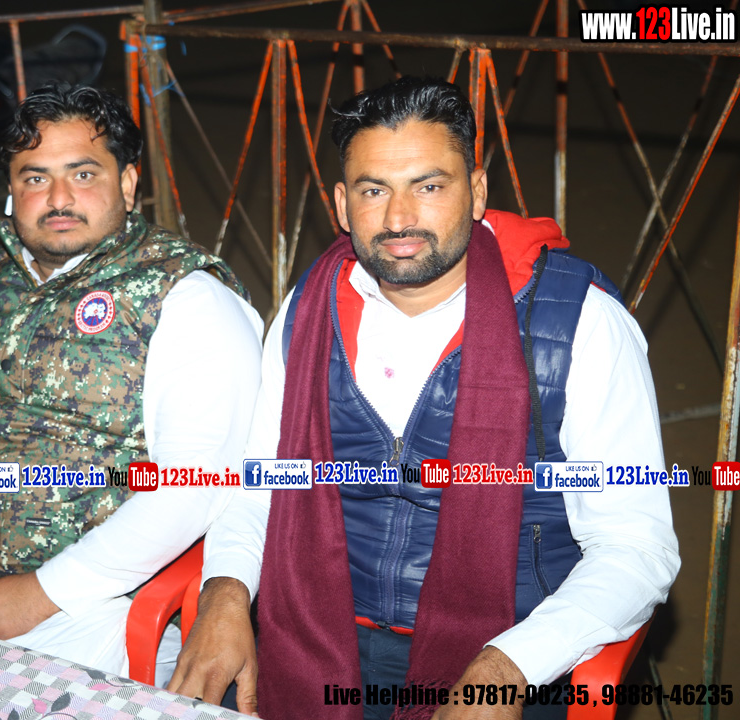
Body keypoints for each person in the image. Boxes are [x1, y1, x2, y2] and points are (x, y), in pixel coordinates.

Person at [171, 77, 680, 720]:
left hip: (515, 646)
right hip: (318, 635)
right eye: (373, 190)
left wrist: (509, 666)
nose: (398, 219)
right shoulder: (309, 309)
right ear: (341, 204)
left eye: (429, 186)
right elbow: (261, 487)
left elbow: (637, 548)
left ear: (478, 192)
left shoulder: (577, 325)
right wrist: (224, 593)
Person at [0, 83, 263, 682]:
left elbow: (195, 483)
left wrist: (45, 592)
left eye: (83, 174)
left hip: (88, 607)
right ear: (12, 191)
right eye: (35, 178)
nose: (59, 198)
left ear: (128, 183)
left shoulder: (187, 296)